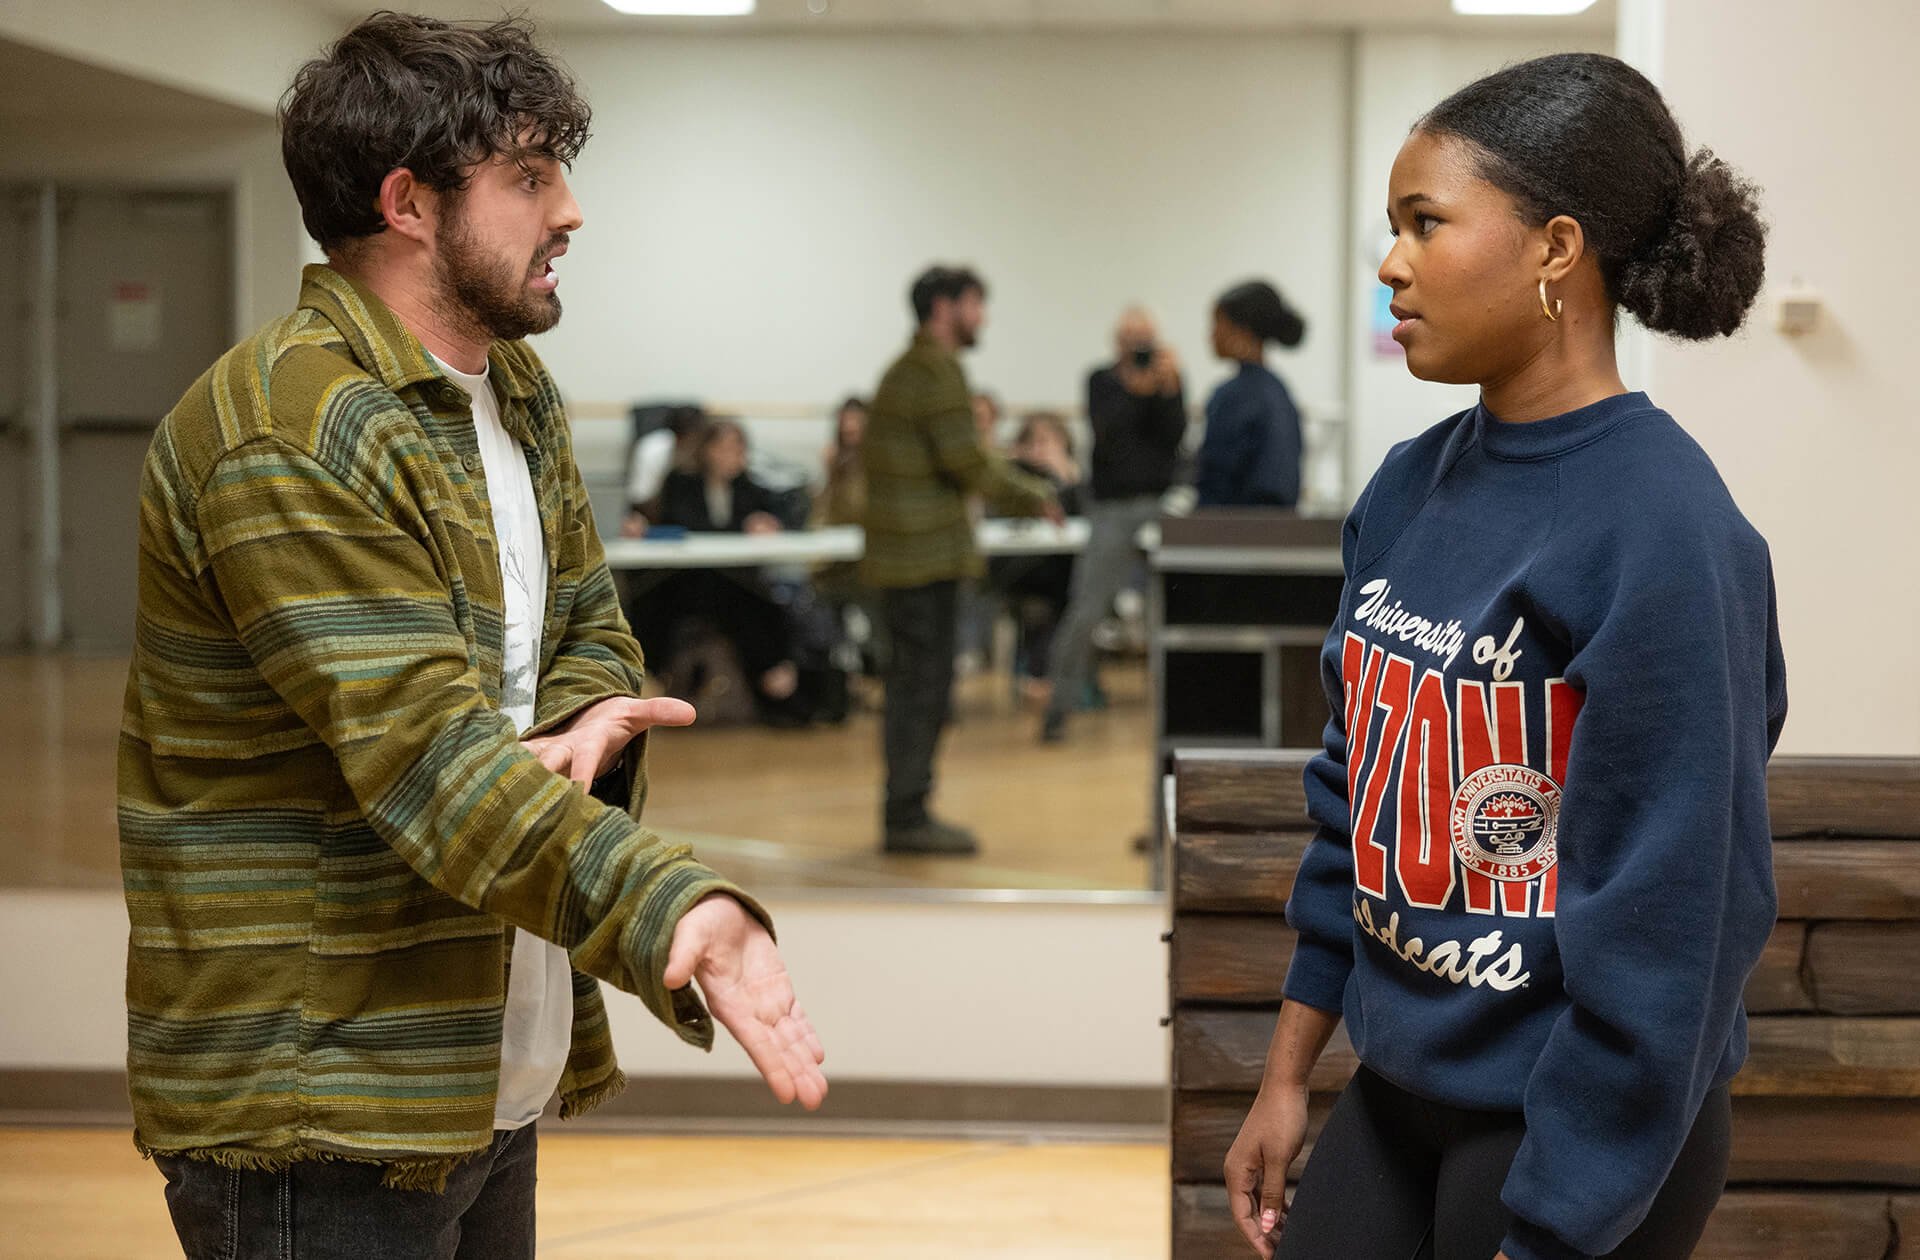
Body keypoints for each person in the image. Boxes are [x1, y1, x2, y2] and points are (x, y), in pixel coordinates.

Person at [118, 15, 825, 1259]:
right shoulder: (289, 428)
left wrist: (571, 724)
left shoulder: (509, 389)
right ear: (408, 202)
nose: (573, 212)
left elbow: (591, 625)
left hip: (481, 1059)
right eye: (531, 176)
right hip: (322, 1098)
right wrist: (674, 909)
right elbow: (428, 763)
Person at [1223, 53, 1782, 1260]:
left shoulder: (1666, 528)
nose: (1391, 265)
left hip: (1574, 1126)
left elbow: (1679, 923)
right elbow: (1351, 807)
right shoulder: (1409, 487)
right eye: (1392, 228)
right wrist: (1286, 1075)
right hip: (1400, 1087)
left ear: (1554, 250)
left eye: (1427, 223)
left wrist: (1560, 1217)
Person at [862, 265, 1061, 855]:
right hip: (922, 565)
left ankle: (906, 810)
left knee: (913, 689)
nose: (983, 318)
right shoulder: (935, 370)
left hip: (905, 564)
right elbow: (968, 463)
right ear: (945, 308)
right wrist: (1036, 493)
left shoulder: (907, 369)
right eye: (976, 304)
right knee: (922, 692)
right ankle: (908, 817)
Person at [1039, 306, 1185, 742]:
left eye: (1146, 338)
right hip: (1112, 508)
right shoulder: (1101, 381)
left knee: (1175, 606)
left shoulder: (1167, 379)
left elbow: (1175, 437)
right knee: (1085, 609)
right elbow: (1109, 436)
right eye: (1131, 338)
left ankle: (1182, 712)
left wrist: (1168, 389)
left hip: (1161, 504)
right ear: (1116, 341)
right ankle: (1056, 708)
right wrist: (1136, 390)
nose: (1139, 347)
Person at [647, 421, 810, 722]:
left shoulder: (746, 486)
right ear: (706, 450)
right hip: (686, 584)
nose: (732, 455)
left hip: (736, 585)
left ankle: (777, 680)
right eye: (724, 447)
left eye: (738, 448)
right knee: (745, 603)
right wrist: (742, 527)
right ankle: (774, 679)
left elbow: (782, 512)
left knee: (767, 602)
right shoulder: (682, 483)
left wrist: (768, 522)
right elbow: (682, 523)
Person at [987, 411, 1085, 693]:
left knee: (1074, 587)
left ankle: (1052, 675)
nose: (1041, 449)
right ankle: (1042, 675)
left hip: (1060, 565)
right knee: (1056, 592)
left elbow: (1081, 518)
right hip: (1020, 566)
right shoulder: (1014, 476)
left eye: (1049, 442)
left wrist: (1066, 476)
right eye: (1035, 441)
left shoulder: (1070, 477)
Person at [1195, 280, 1305, 507]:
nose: (1212, 336)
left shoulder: (1232, 396)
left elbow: (1216, 480)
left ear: (1241, 332)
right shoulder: (1279, 390)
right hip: (1277, 530)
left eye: (1218, 325)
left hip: (1232, 531)